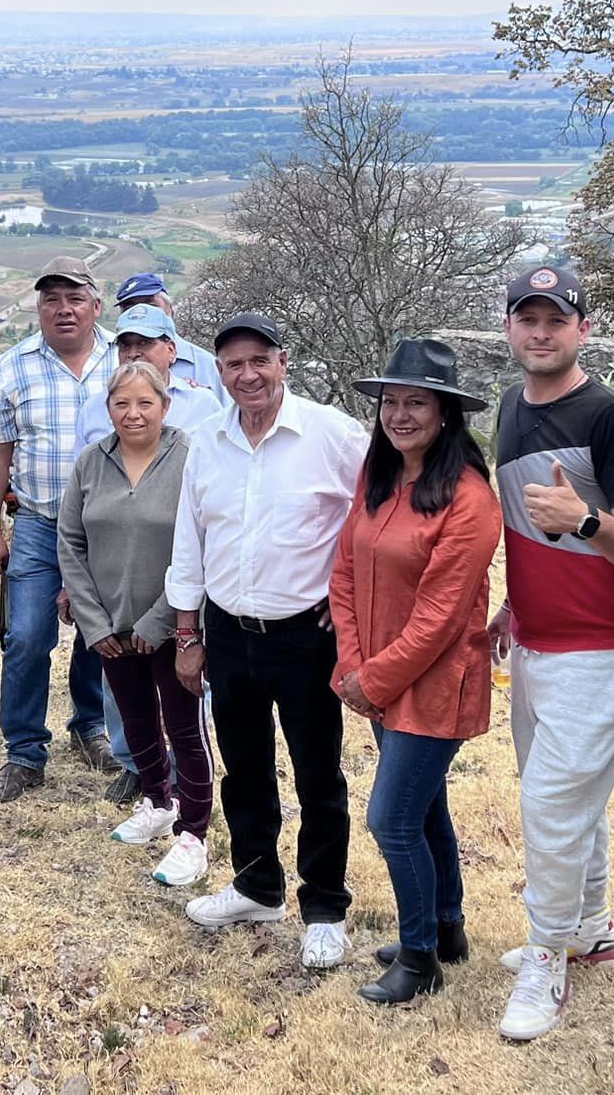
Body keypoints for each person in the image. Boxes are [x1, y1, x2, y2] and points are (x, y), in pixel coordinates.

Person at [489, 264, 614, 1042]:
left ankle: (547, 954)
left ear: (582, 328)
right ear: (509, 329)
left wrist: (585, 520)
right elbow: (529, 534)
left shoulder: (612, 419)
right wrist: (510, 601)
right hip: (532, 640)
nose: (541, 331)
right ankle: (589, 927)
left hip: (601, 646)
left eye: (555, 319)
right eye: (527, 318)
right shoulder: (506, 408)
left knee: (551, 807)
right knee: (566, 798)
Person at [166, 311, 368, 969]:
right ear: (218, 373)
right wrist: (188, 630)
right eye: (233, 365)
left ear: (284, 361)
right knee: (245, 767)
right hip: (227, 629)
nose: (248, 375)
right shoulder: (208, 441)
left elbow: (377, 514)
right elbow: (190, 537)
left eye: (260, 361)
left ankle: (326, 906)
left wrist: (353, 601)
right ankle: (257, 883)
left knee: (317, 774)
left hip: (305, 634)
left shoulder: (332, 434)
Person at [331, 340, 501, 1006]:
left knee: (392, 821)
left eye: (417, 403)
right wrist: (352, 663)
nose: (400, 415)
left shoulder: (469, 499)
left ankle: (420, 956)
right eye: (391, 403)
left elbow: (440, 616)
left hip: (432, 685)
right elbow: (344, 570)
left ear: (446, 413)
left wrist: (372, 680)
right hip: (376, 676)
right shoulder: (379, 479)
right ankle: (448, 927)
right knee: (425, 809)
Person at [57, 361, 215, 887]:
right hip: (108, 626)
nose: (133, 413)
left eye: (145, 402)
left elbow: (201, 544)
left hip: (172, 624)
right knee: (136, 720)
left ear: (165, 406)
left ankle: (194, 833)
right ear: (108, 409)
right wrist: (94, 623)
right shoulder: (89, 463)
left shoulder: (191, 457)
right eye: (122, 403)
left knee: (185, 729)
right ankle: (156, 801)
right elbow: (70, 544)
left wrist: (160, 619)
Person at [0, 258, 118, 802]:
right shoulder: (13, 365)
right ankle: (24, 752)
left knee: (98, 635)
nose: (63, 308)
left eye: (75, 298)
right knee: (28, 637)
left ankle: (90, 727)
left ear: (96, 306)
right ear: (38, 308)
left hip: (107, 529)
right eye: (51, 299)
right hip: (38, 523)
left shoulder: (122, 359)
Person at [74, 305, 225, 449]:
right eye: (125, 345)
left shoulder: (202, 404)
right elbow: (85, 473)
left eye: (144, 343)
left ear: (171, 350)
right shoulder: (94, 408)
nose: (133, 353)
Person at [114, 271, 219, 389]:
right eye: (129, 308)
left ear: (171, 309)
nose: (142, 312)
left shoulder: (205, 364)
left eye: (150, 305)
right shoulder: (113, 360)